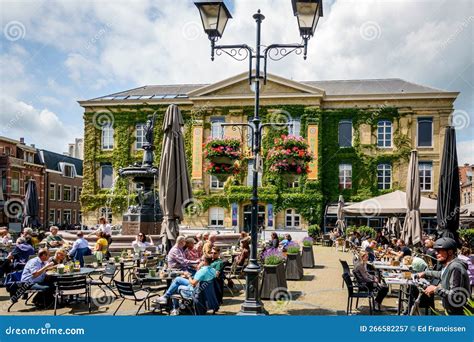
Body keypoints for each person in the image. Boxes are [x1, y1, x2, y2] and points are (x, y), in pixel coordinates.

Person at [418, 237, 471, 315]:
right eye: (436, 251)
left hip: (458, 313)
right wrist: (425, 273)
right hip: (451, 310)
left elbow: (455, 295)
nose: (436, 253)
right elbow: (442, 274)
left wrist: (435, 289)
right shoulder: (449, 265)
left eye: (439, 251)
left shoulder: (456, 267)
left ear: (450, 252)